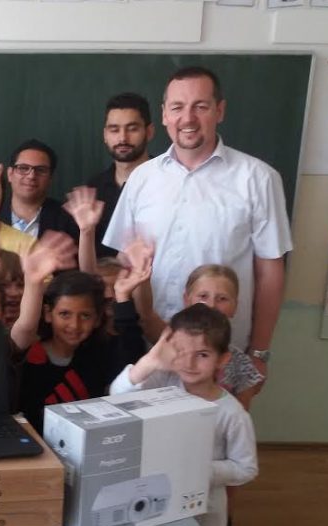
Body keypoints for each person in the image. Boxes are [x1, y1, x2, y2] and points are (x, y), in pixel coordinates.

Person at [103, 66, 292, 386]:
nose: (187, 119)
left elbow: (270, 271)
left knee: (220, 419)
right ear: (164, 115)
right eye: (177, 107)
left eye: (200, 106)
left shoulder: (258, 178)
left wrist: (259, 352)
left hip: (222, 353)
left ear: (220, 110)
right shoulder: (142, 178)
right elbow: (125, 261)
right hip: (150, 348)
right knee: (143, 419)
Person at [109, 303, 258, 526]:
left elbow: (246, 468)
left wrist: (198, 470)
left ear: (222, 359)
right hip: (154, 511)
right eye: (180, 350)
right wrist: (149, 361)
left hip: (204, 518)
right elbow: (117, 397)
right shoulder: (162, 382)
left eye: (203, 354)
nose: (189, 362)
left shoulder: (231, 414)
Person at [12, 238, 149, 433]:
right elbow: (25, 327)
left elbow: (131, 357)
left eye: (85, 316)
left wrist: (122, 296)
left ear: (97, 319)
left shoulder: (99, 352)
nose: (74, 325)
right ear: (48, 314)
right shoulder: (30, 355)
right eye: (64, 314)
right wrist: (33, 281)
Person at [138, 264, 265, 409]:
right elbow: (146, 315)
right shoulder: (168, 351)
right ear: (187, 300)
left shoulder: (241, 364)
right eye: (203, 296)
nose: (211, 305)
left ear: (235, 305)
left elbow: (241, 413)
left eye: (222, 298)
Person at [85, 93, 155, 258]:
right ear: (105, 135)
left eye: (132, 129)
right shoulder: (93, 191)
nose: (123, 138)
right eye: (114, 129)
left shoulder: (167, 183)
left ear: (149, 132)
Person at [0, 139, 78, 241]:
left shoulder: (69, 219)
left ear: (50, 178)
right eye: (23, 168)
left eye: (41, 170)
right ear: (10, 174)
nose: (31, 176)